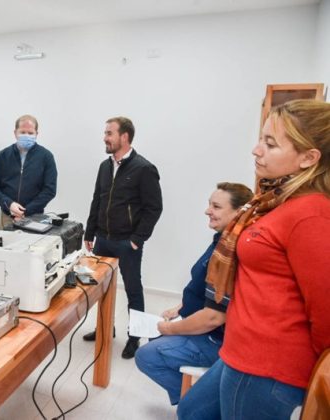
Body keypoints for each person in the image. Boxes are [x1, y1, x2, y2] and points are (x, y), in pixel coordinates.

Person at [177, 100, 330, 420]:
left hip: (267, 364)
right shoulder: (277, 201)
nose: (256, 150)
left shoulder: (311, 214)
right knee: (192, 411)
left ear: (308, 158)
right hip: (241, 350)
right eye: (261, 139)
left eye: (270, 144)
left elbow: (326, 311)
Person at [134, 182, 253, 405]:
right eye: (209, 204)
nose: (207, 211)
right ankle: (199, 397)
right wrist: (180, 307)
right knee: (154, 336)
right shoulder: (222, 241)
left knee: (146, 356)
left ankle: (202, 403)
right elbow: (203, 286)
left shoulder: (232, 253)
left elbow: (214, 317)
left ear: (239, 212)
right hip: (206, 324)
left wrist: (170, 328)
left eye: (216, 206)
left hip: (217, 338)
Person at [82, 116, 163, 359]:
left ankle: (135, 336)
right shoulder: (104, 166)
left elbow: (154, 208)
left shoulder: (144, 168)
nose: (105, 138)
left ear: (124, 136)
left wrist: (137, 238)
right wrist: (89, 232)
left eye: (109, 133)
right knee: (102, 288)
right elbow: (97, 200)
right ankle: (105, 327)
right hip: (103, 238)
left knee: (133, 289)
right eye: (105, 133)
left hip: (127, 242)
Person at [0, 114, 58, 229]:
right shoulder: (3, 155)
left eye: (30, 133)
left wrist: (26, 211)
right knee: (3, 241)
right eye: (23, 132)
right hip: (6, 217)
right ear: (15, 133)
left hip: (35, 218)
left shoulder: (46, 157)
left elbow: (50, 190)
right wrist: (9, 204)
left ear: (37, 134)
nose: (26, 136)